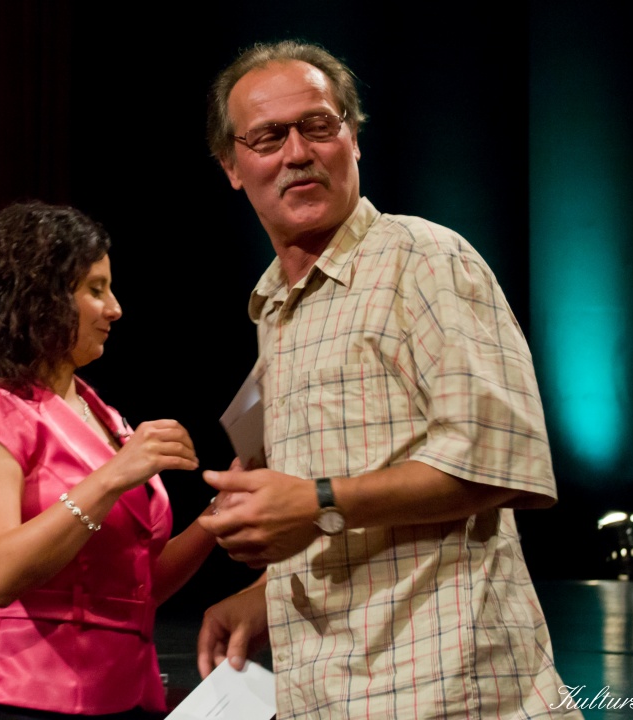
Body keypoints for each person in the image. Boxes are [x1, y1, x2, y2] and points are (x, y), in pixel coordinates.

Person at [196, 40, 583, 719]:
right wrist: (267, 595)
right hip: (328, 692)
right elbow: (338, 498)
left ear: (353, 137)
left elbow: (500, 461)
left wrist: (314, 501)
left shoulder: (424, 259)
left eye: (317, 125)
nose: (296, 152)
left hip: (445, 691)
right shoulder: (273, 307)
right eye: (268, 137)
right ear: (231, 165)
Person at [0, 200, 218, 720]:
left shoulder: (103, 415)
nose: (115, 309)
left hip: (128, 696)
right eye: (95, 290)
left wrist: (216, 515)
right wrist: (112, 478)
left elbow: (136, 588)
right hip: (26, 700)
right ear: (38, 298)